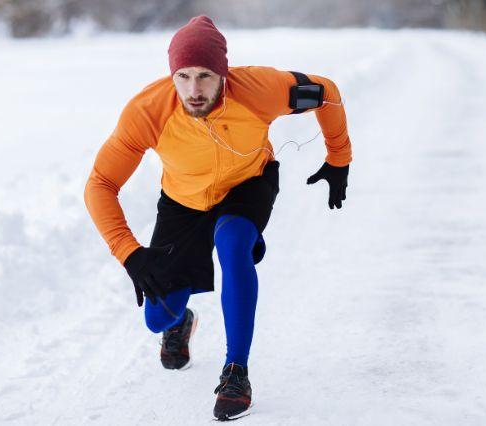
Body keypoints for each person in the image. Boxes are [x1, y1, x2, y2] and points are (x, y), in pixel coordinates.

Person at [83, 15, 352, 421]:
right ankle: (181, 321)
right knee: (158, 318)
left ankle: (236, 372)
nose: (194, 90)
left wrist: (339, 157)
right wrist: (130, 254)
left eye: (205, 76)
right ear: (172, 75)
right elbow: (100, 183)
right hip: (182, 201)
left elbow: (327, 92)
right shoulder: (148, 111)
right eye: (184, 76)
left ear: (223, 73)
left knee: (232, 243)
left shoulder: (261, 89)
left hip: (247, 184)